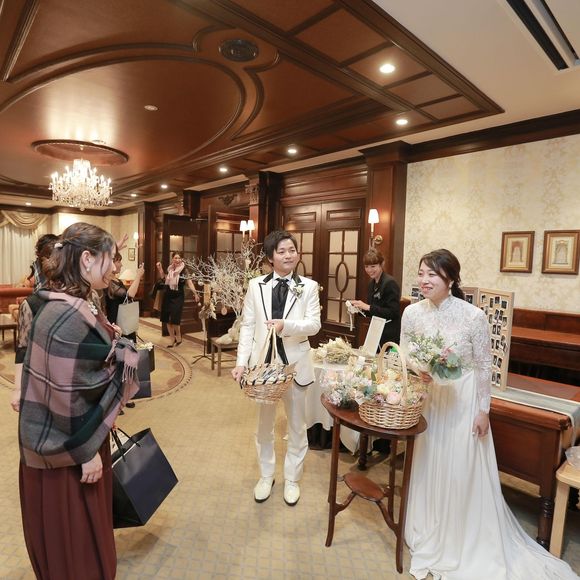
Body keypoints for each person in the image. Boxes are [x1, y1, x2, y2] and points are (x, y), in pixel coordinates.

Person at [400, 249, 577, 580]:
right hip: (431, 397)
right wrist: (418, 367)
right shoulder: (411, 312)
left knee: (458, 465)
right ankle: (428, 523)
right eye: (421, 273)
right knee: (429, 457)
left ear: (450, 279)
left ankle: (458, 534)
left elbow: (484, 366)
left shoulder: (473, 316)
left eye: (432, 274)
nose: (424, 280)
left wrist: (484, 410)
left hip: (463, 400)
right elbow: (406, 350)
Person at [17, 222, 140, 580]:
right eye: (110, 258)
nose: (115, 267)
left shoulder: (68, 301)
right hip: (68, 448)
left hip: (74, 439)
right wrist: (86, 453)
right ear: (87, 259)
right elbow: (63, 395)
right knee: (75, 549)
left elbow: (83, 371)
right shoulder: (66, 314)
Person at [232, 230, 321, 506]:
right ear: (271, 257)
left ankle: (292, 478)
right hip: (264, 368)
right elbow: (248, 326)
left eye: (292, 250)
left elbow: (314, 325)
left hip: (296, 365)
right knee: (264, 427)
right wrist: (241, 363)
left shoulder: (309, 287)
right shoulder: (255, 285)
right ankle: (266, 475)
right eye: (281, 251)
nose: (288, 255)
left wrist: (286, 326)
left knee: (297, 426)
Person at [349, 248, 401, 348]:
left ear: (381, 264)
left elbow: (393, 312)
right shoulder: (371, 284)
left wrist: (368, 307)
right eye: (366, 266)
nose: (369, 270)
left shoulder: (390, 283)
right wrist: (358, 309)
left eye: (373, 266)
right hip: (376, 330)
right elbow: (372, 311)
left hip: (389, 332)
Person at [156, 252, 197, 347]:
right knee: (167, 319)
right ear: (172, 259)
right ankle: (172, 339)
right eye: (175, 258)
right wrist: (160, 269)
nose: (177, 260)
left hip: (178, 296)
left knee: (175, 318)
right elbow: (164, 278)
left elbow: (190, 283)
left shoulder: (184, 270)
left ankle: (178, 336)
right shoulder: (170, 269)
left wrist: (195, 293)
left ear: (181, 259)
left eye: (179, 258)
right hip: (168, 295)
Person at [104, 251, 145, 341]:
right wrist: (138, 276)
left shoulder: (117, 280)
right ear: (110, 263)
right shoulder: (108, 282)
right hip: (117, 321)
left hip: (124, 319)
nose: (121, 265)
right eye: (118, 261)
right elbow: (129, 295)